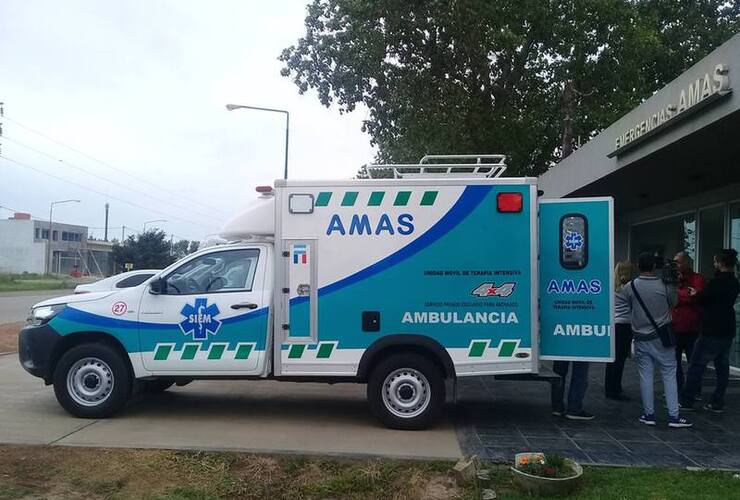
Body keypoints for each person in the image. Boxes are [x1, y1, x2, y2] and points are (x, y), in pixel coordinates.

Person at [621, 252, 692, 428]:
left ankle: (649, 414)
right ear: (654, 267)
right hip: (662, 336)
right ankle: (674, 416)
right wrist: (674, 284)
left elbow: (628, 304)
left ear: (639, 266)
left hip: (640, 337)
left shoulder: (630, 287)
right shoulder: (665, 285)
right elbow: (674, 303)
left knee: (645, 376)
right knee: (669, 375)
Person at [679, 249, 740, 413]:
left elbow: (703, 299)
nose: (714, 264)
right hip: (728, 327)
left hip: (712, 328)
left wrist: (695, 294)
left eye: (715, 261)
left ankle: (687, 400)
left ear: (720, 263)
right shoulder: (734, 282)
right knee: (722, 366)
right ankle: (717, 401)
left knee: (696, 364)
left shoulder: (716, 282)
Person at [672, 252, 705, 392]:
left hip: (692, 328)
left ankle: (694, 390)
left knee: (694, 361)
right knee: (674, 362)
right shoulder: (672, 279)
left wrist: (678, 293)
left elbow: (696, 297)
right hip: (674, 326)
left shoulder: (697, 278)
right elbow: (669, 297)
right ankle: (677, 388)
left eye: (678, 262)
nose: (676, 266)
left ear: (686, 263)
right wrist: (683, 292)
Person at [605, 261, 634, 400]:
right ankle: (615, 389)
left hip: (614, 324)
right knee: (620, 359)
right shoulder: (629, 287)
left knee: (612, 359)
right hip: (625, 325)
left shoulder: (611, 287)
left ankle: (609, 386)